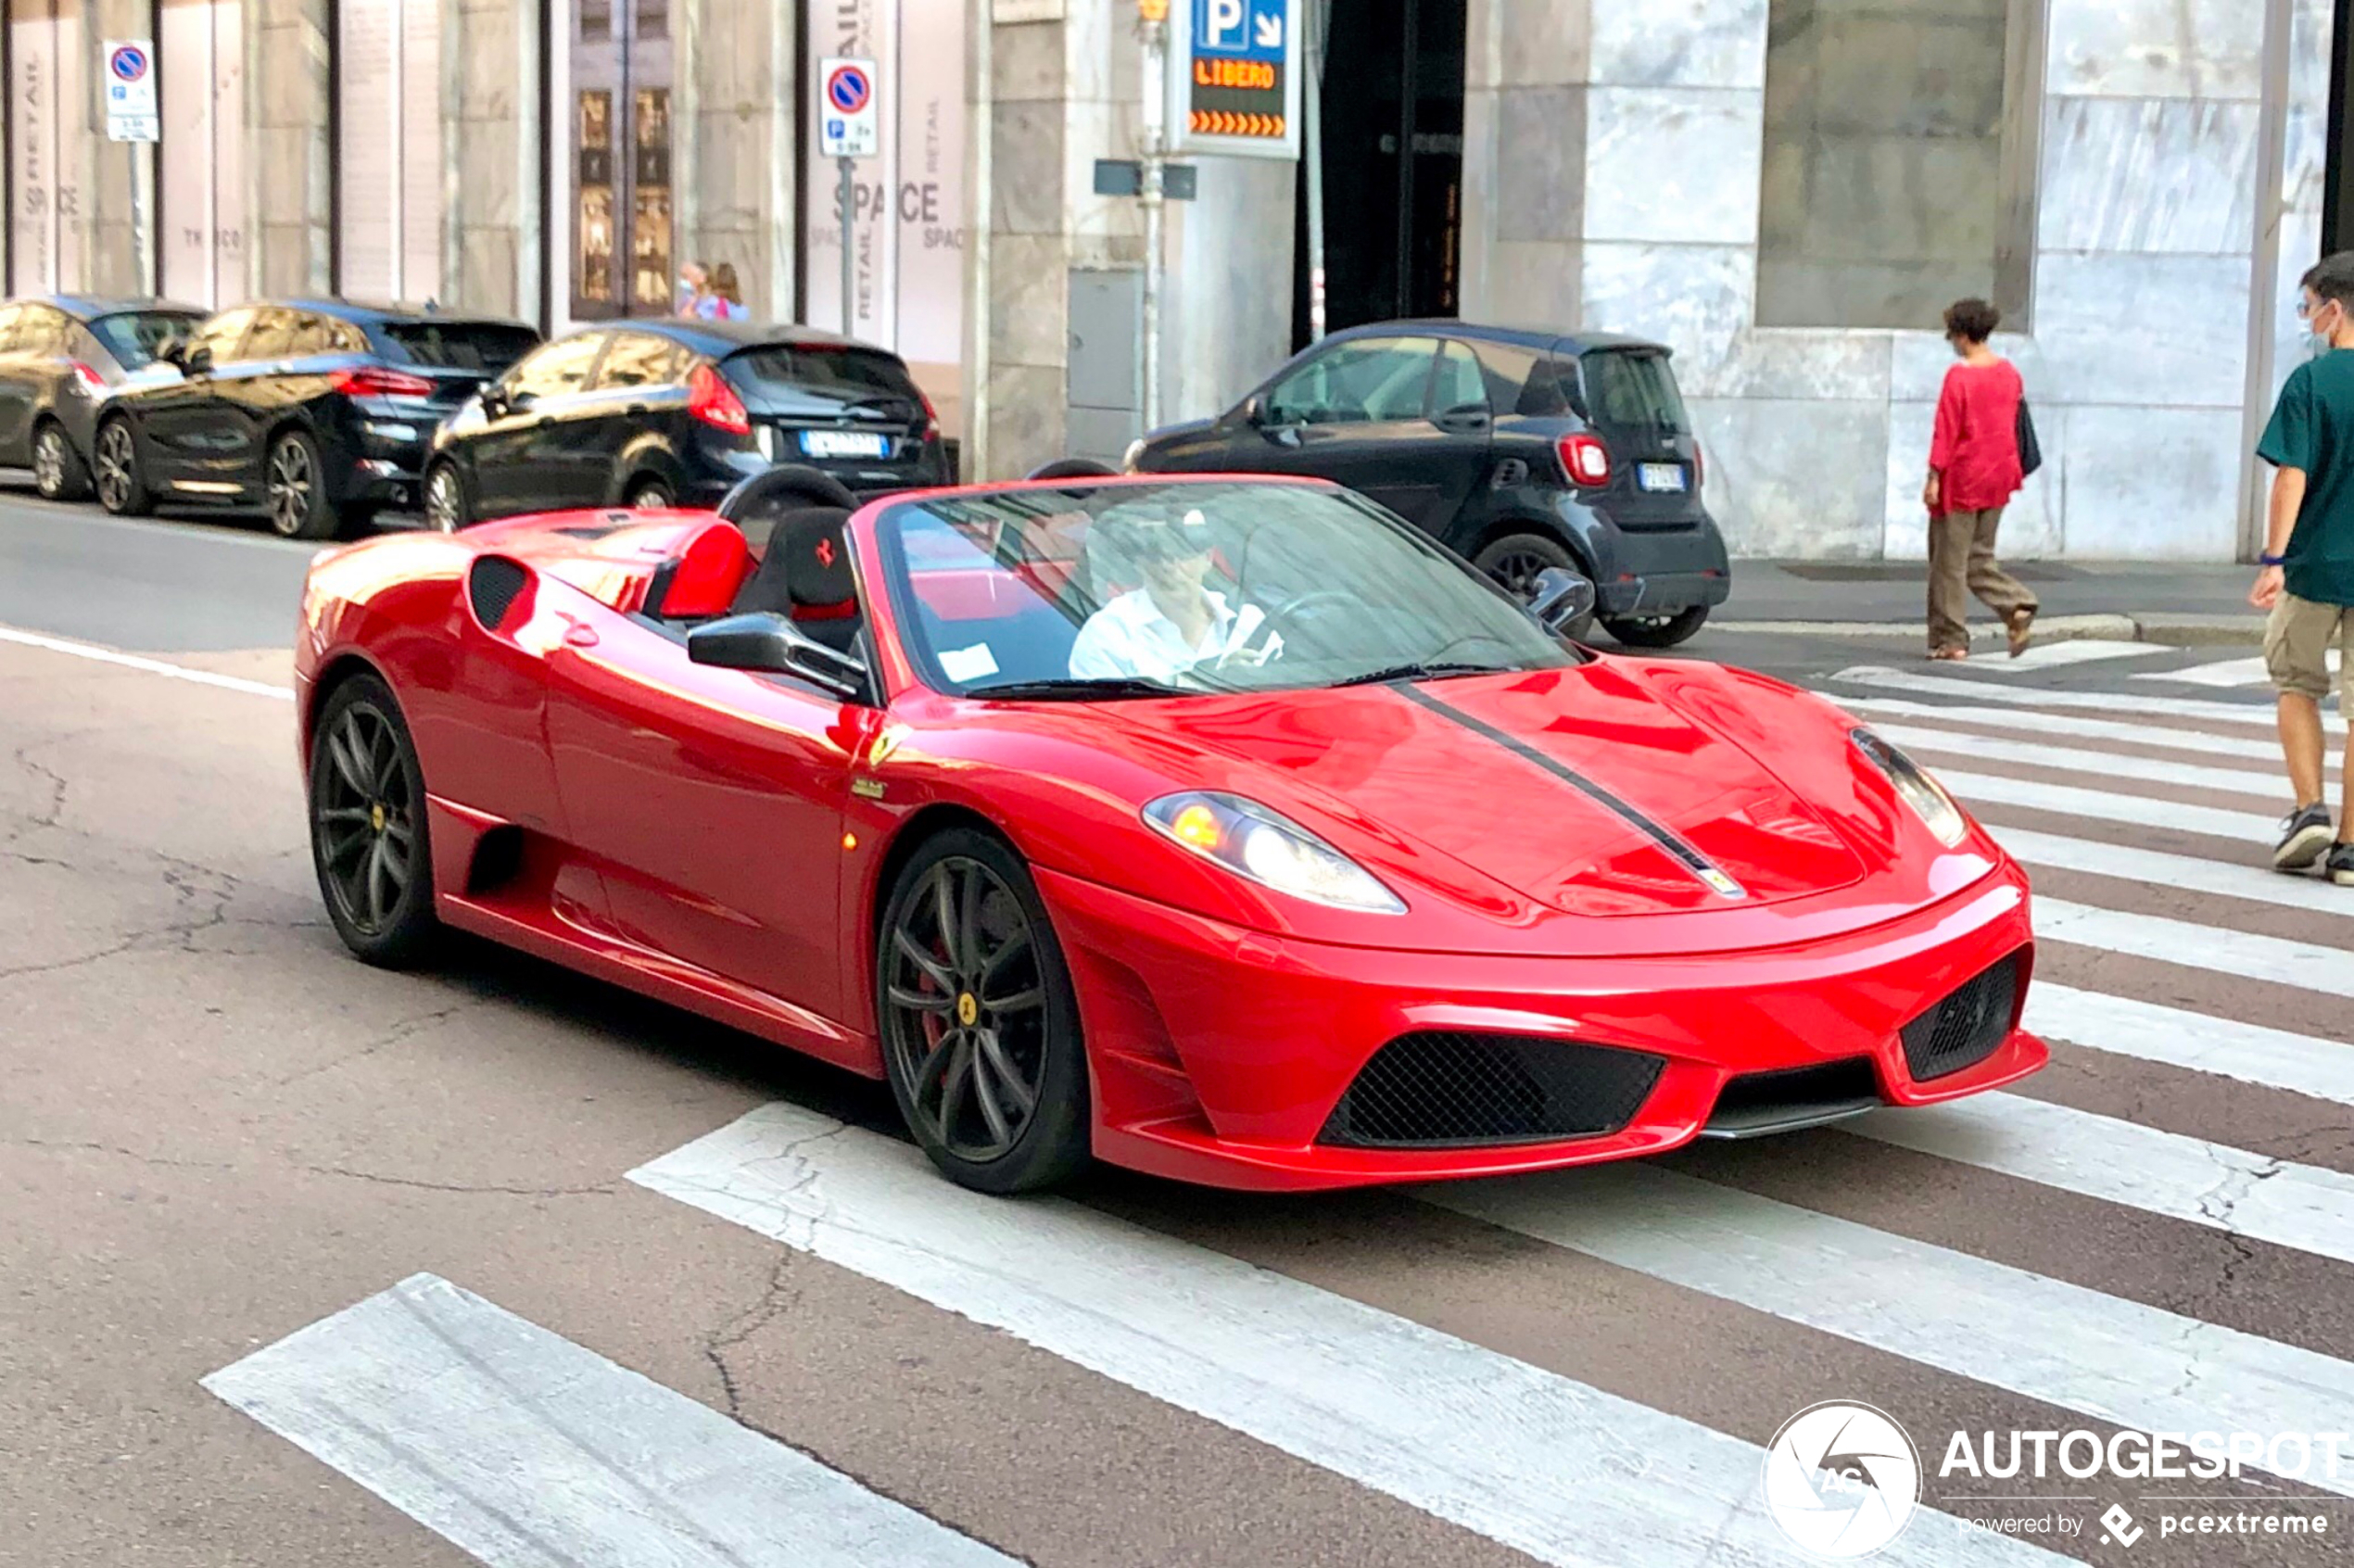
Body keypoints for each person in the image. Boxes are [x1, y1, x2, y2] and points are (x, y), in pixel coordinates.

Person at [2253, 251, 2354, 882]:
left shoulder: (2311, 383)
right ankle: (2351, 848)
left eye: (2307, 305)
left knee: (2296, 682)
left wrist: (2273, 559)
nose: (2306, 318)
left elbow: (2291, 476)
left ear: (2334, 309)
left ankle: (2309, 808)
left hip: (2316, 565)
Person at [1924, 298, 2038, 661]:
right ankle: (2015, 605)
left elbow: (1947, 432)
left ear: (1960, 334)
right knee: (1980, 556)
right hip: (2001, 475)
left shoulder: (1959, 376)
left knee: (1949, 564)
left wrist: (1933, 477)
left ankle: (1951, 639)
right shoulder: (2009, 373)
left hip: (1963, 477)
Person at [1068, 508, 1274, 683]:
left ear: (1207, 559)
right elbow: (1104, 718)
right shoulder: (1111, 632)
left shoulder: (1247, 622)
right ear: (1140, 564)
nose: (1169, 566)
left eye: (1182, 552)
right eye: (1156, 555)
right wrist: (1216, 682)